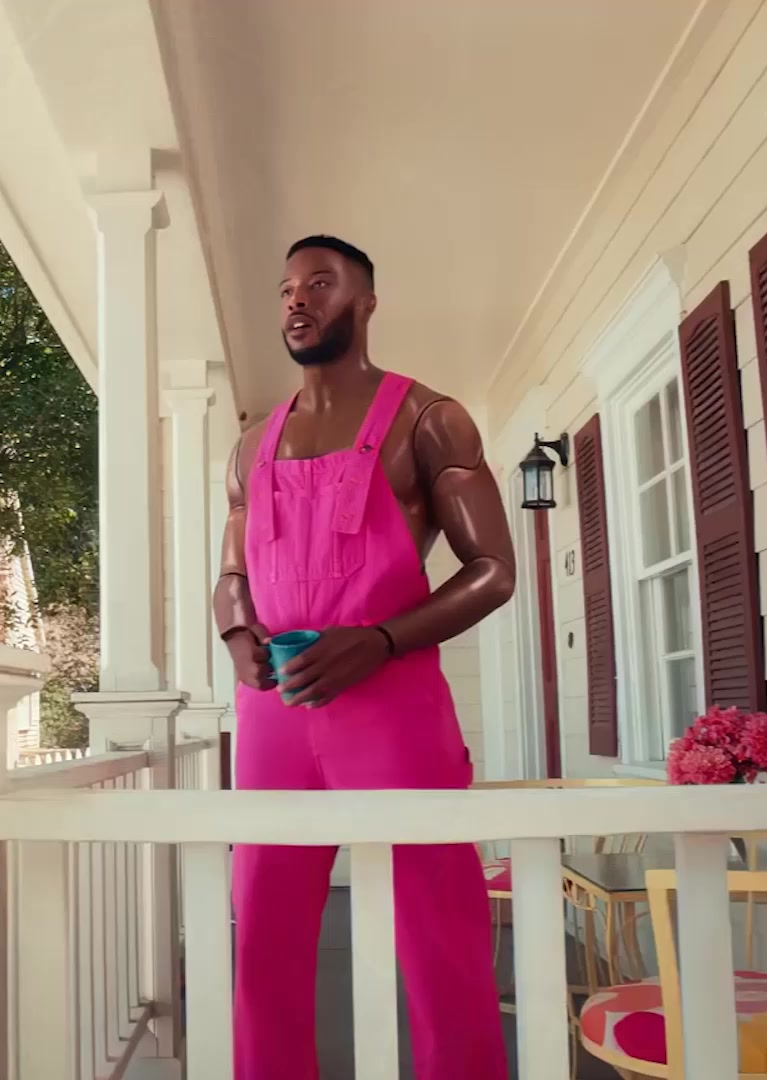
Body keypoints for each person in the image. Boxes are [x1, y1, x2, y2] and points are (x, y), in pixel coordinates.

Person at [214, 235, 515, 1078]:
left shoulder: (429, 418)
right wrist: (238, 634)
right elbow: (232, 574)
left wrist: (380, 640)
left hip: (394, 705)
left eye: (320, 283)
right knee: (263, 927)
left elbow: (493, 570)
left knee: (438, 925)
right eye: (286, 289)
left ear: (367, 301)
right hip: (275, 712)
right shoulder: (249, 447)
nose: (297, 301)